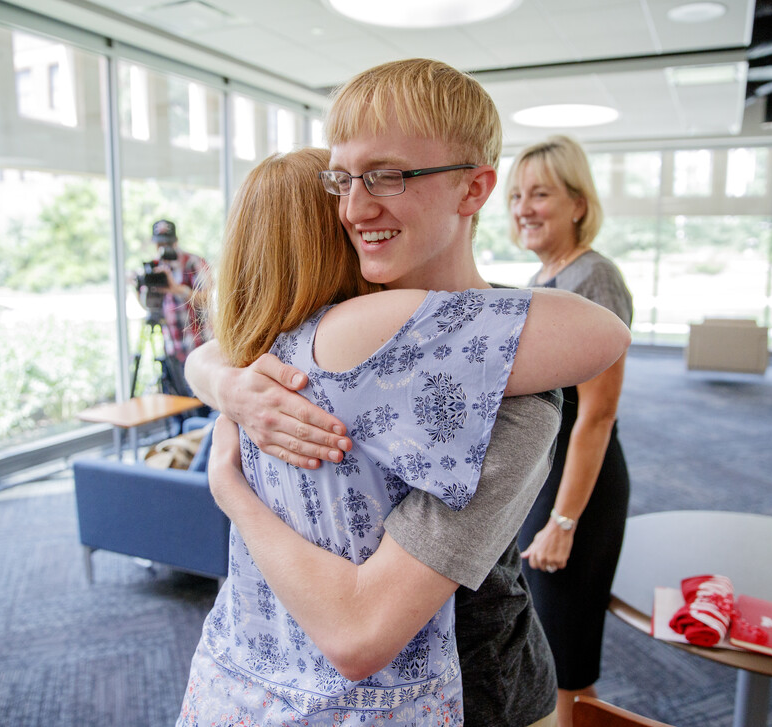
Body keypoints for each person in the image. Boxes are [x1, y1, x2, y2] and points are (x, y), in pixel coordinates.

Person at [184, 59, 623, 726]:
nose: (355, 207)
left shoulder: (515, 389)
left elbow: (604, 333)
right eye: (342, 179)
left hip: (476, 689)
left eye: (388, 175)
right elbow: (220, 348)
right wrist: (226, 382)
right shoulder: (325, 329)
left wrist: (230, 485)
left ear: (475, 189)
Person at [510, 135, 633, 727]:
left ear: (578, 203)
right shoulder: (548, 273)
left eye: (540, 194)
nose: (523, 208)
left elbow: (598, 414)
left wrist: (563, 522)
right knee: (540, 630)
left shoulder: (595, 278)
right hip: (545, 474)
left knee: (566, 644)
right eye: (516, 195)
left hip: (578, 486)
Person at [143, 218, 213, 364]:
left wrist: (177, 289)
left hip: (199, 345)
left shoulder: (193, 262)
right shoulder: (156, 267)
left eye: (167, 243)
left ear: (176, 241)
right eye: (160, 244)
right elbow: (150, 305)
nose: (164, 248)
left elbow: (207, 299)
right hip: (172, 347)